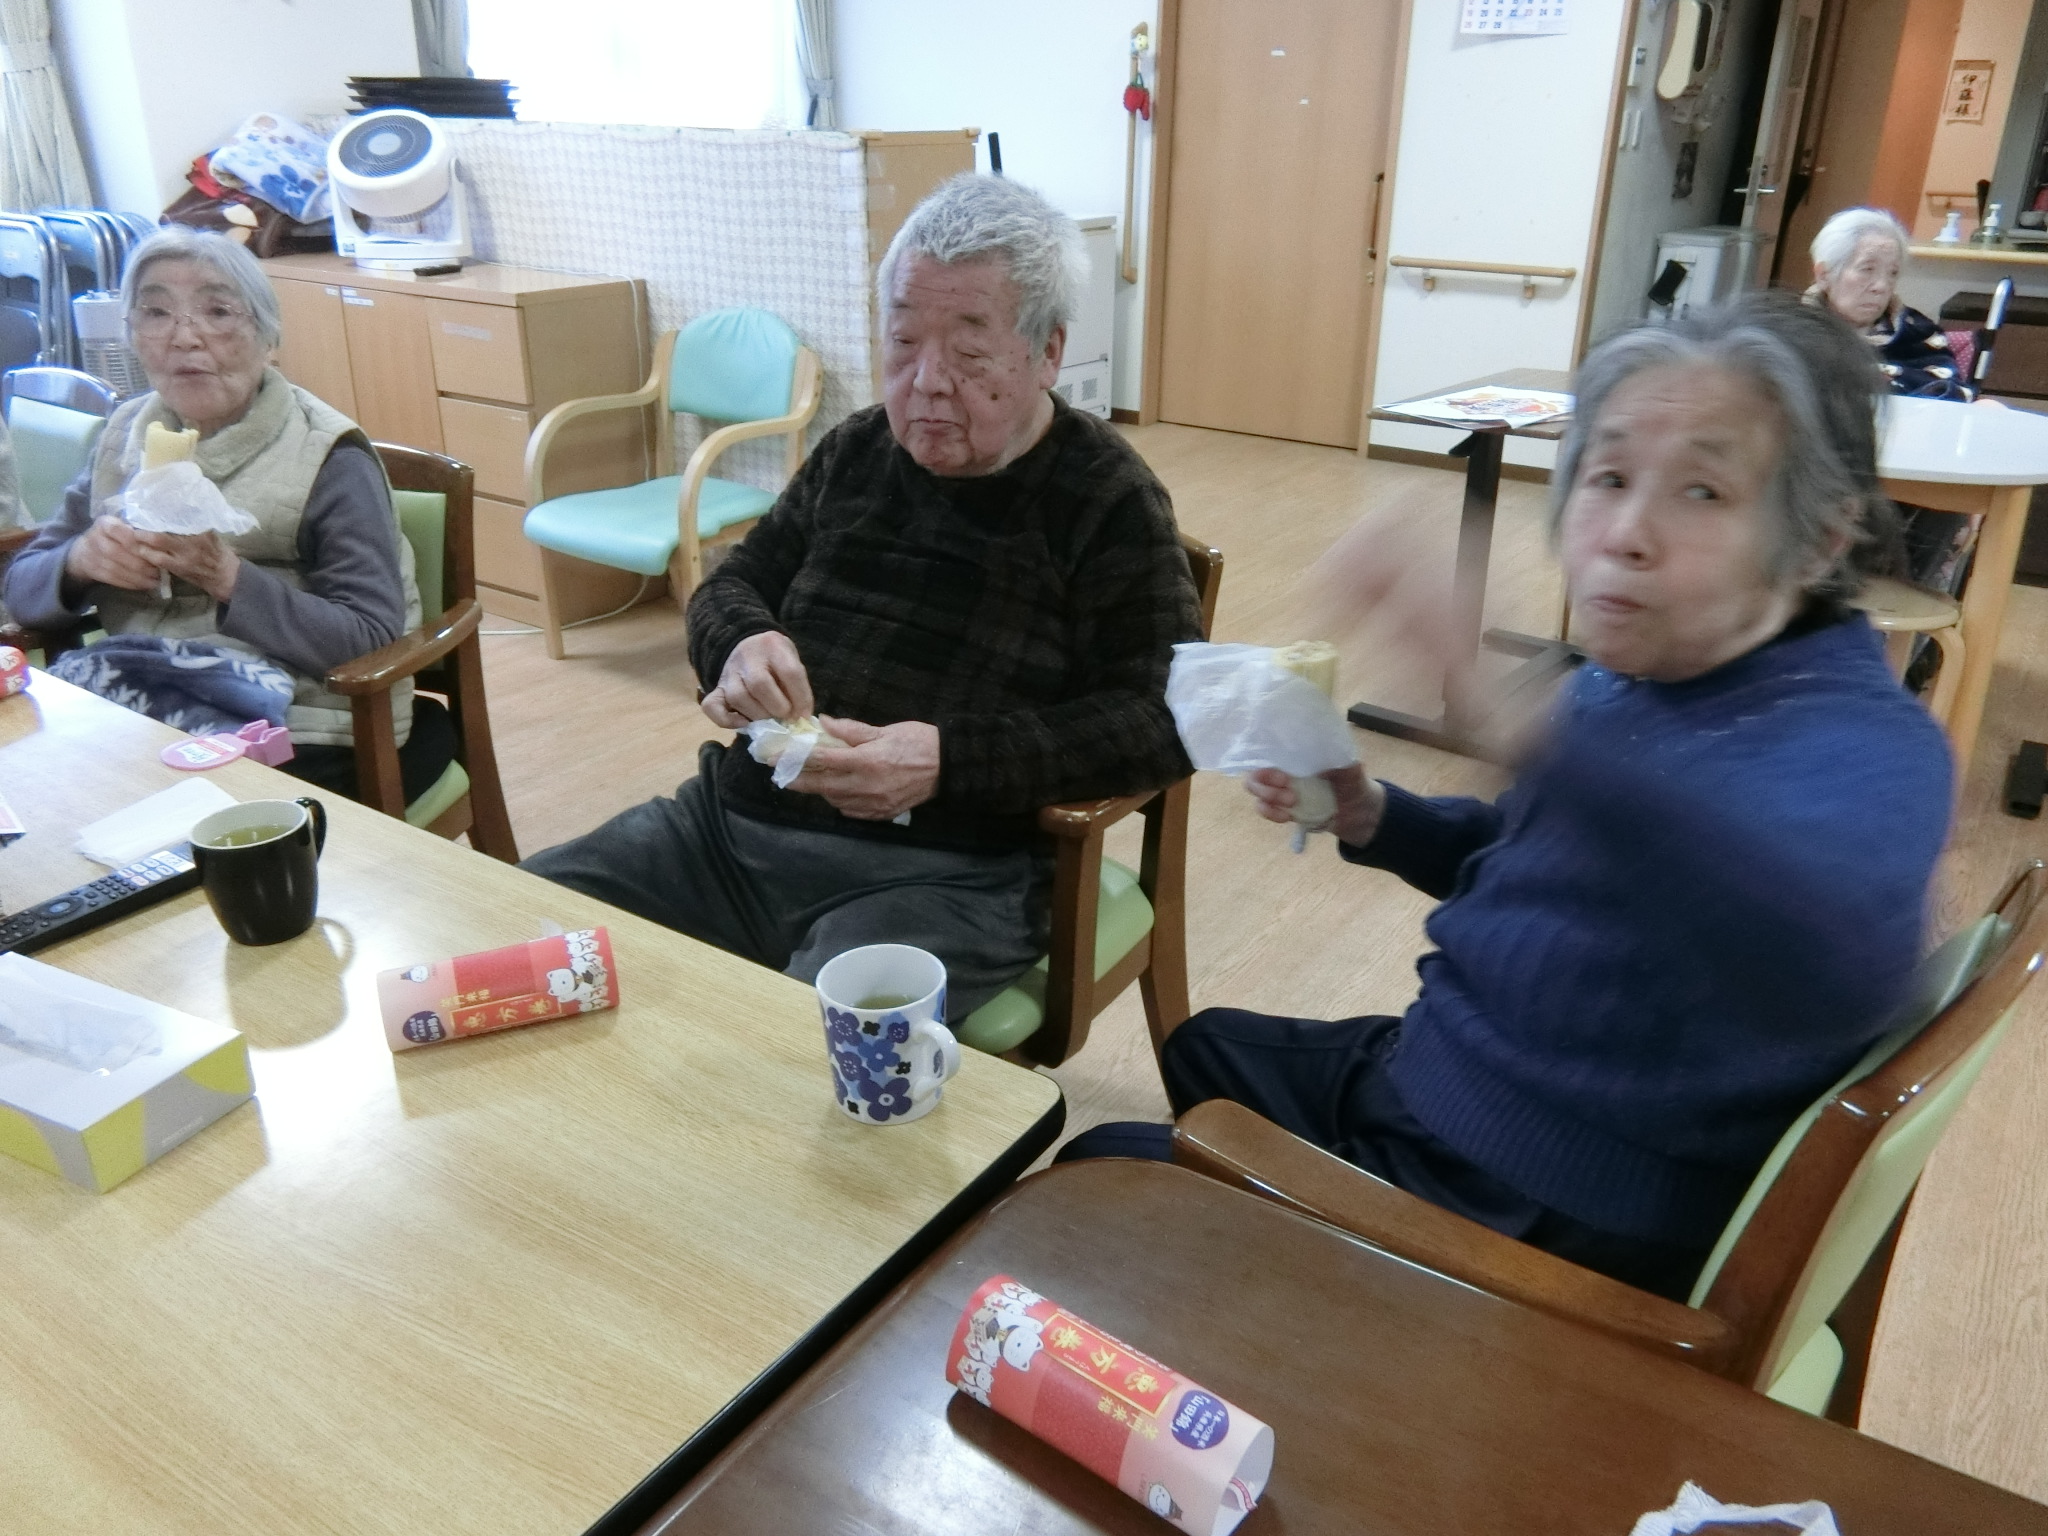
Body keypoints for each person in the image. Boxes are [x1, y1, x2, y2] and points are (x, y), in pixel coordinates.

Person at [1062, 293, 1952, 1302]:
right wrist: (1375, 815)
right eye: (1607, 476)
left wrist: (1518, 729)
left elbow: (1835, 962)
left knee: (1098, 1168)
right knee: (1203, 1047)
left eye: (1702, 492)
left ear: (1821, 540)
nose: (1624, 534)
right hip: (1450, 1076)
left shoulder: (1874, 744)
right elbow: (1556, 853)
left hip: (1537, 1207)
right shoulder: (1653, 667)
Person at [523, 175, 1202, 1020]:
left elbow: (1165, 717)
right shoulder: (857, 451)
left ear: (1048, 352)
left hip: (948, 876)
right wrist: (739, 643)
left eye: (970, 354)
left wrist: (947, 762)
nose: (926, 382)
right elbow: (734, 583)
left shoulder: (1107, 499)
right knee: (512, 929)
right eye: (903, 343)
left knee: (798, 1048)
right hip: (729, 835)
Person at [2, 226, 451, 802]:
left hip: (301, 722)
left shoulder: (330, 457)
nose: (185, 337)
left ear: (268, 339)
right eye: (156, 313)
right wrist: (79, 562)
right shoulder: (123, 437)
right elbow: (20, 590)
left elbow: (368, 638)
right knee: (32, 794)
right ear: (133, 335)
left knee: (147, 820)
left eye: (217, 312)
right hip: (147, 702)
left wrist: (228, 577)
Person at [1806, 206, 1970, 402]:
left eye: (1892, 273)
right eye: (1867, 269)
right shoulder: (1791, 330)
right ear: (1824, 275)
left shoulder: (1917, 332)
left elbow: (1953, 393)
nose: (1882, 286)